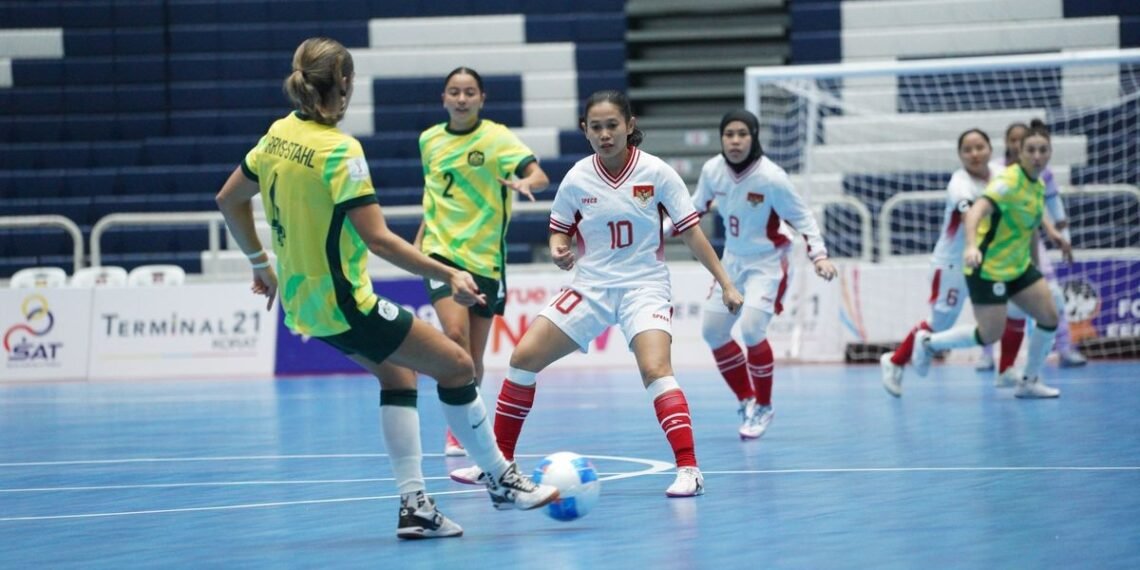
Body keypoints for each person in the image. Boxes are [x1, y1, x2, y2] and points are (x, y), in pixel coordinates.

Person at [214, 38, 557, 540]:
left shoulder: (276, 136)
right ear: (346, 85)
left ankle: (415, 508)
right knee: (459, 366)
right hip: (348, 302)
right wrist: (448, 273)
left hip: (304, 306)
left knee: (398, 380)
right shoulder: (340, 150)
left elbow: (228, 199)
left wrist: (259, 263)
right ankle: (502, 480)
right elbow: (380, 240)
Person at [449, 90, 744, 497]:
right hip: (591, 288)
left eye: (613, 125)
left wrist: (726, 282)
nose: (605, 134)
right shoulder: (577, 177)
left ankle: (689, 469)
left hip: (644, 288)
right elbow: (559, 228)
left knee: (656, 370)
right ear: (585, 131)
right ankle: (497, 466)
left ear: (630, 125)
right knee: (522, 359)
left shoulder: (657, 173)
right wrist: (558, 248)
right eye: (597, 127)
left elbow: (691, 232)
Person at [414, 67, 551, 458]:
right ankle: (456, 429)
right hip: (440, 254)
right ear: (444, 98)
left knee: (473, 358)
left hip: (486, 259)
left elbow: (537, 173)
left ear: (481, 98)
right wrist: (421, 239)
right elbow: (435, 195)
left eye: (469, 92)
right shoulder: (429, 140)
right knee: (454, 339)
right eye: (454, 92)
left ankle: (469, 421)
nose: (461, 98)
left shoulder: (496, 137)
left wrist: (529, 183)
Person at [693, 109, 836, 437]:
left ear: (753, 137)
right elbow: (694, 207)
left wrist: (820, 256)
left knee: (753, 328)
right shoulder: (712, 170)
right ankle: (746, 399)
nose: (735, 140)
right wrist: (660, 229)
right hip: (730, 262)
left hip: (769, 263)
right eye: (729, 134)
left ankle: (765, 407)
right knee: (713, 332)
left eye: (743, 134)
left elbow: (804, 218)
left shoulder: (771, 177)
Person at [903, 122, 1072, 399]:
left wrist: (1051, 237)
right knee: (990, 333)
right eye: (1031, 150)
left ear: (1050, 152)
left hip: (1016, 267)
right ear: (1020, 152)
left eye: (1043, 150)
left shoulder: (1037, 183)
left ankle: (1028, 381)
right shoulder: (1007, 182)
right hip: (988, 266)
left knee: (1049, 315)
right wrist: (971, 247)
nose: (1037, 156)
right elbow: (974, 213)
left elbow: (1032, 217)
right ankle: (929, 342)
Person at [881, 128, 995, 397]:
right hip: (953, 266)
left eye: (980, 147)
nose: (974, 154)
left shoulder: (1000, 178)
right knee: (940, 322)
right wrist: (971, 246)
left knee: (1007, 313)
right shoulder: (960, 182)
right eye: (967, 150)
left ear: (990, 149)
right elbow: (970, 215)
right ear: (959, 155)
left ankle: (1011, 370)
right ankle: (896, 360)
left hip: (987, 262)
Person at [976, 121, 1087, 379]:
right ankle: (986, 355)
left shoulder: (1041, 175)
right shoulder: (998, 173)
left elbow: (1048, 207)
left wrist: (1060, 235)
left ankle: (1064, 349)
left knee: (1053, 297)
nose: (1017, 145)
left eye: (1020, 140)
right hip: (1001, 247)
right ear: (1007, 144)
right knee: (995, 305)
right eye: (1013, 141)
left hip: (1031, 242)